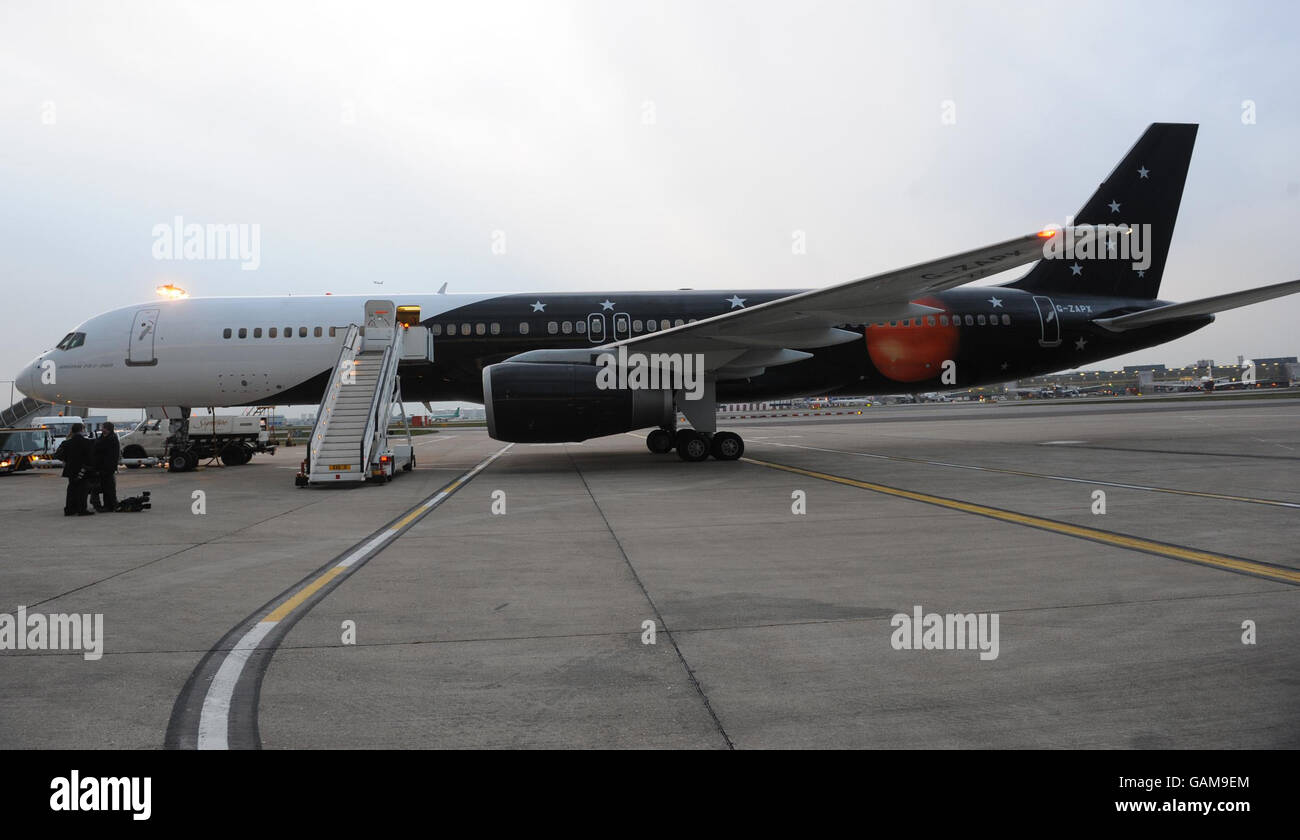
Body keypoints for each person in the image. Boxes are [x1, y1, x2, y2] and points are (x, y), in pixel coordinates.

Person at [53, 423, 96, 516]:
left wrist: (66, 460)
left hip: (70, 469)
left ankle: (69, 509)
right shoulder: (87, 442)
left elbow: (57, 455)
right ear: (82, 430)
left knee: (71, 489)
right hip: (83, 469)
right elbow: (91, 457)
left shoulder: (66, 443)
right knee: (82, 490)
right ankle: (81, 509)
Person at [92, 421, 120, 512]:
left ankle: (110, 505)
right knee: (106, 487)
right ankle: (109, 504)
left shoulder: (111, 438)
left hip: (107, 467)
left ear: (107, 429)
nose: (101, 429)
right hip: (103, 467)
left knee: (108, 487)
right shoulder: (105, 437)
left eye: (103, 427)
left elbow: (103, 450)